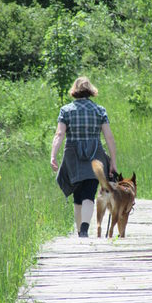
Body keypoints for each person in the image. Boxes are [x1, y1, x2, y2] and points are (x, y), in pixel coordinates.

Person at [50, 76, 117, 238]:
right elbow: (109, 137)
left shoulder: (66, 110)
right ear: (90, 91)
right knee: (89, 192)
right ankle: (84, 230)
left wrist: (53, 155)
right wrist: (113, 161)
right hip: (96, 155)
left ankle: (81, 231)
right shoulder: (100, 110)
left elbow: (59, 134)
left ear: (75, 91)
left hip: (73, 156)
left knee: (78, 194)